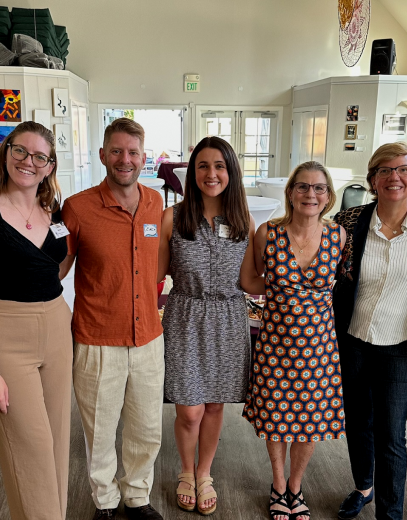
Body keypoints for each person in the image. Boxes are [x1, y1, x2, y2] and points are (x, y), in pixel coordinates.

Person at [60, 118, 164, 520]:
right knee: (99, 431)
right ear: (103, 155)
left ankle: (137, 497)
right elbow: (57, 268)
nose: (125, 160)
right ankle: (104, 501)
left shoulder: (155, 203)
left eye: (133, 152)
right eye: (117, 151)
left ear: (143, 157)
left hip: (148, 338)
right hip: (97, 339)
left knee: (146, 428)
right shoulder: (78, 208)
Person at [157, 136, 264, 516]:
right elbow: (154, 274)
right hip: (185, 317)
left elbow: (249, 281)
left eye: (219, 166)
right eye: (203, 165)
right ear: (192, 173)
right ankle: (185, 471)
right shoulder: (173, 217)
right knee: (189, 410)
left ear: (231, 171)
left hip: (229, 320)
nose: (211, 173)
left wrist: (296, 280)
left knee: (215, 405)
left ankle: (204, 473)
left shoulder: (243, 222)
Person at [243, 161, 346, 520]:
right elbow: (251, 280)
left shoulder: (338, 236)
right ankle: (278, 484)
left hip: (319, 348)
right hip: (275, 343)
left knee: (310, 421)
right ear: (290, 192)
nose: (310, 194)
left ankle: (296, 486)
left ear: (328, 196)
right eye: (302, 186)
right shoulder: (268, 233)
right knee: (276, 418)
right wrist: (281, 293)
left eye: (319, 188)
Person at [0, 122, 72, 520]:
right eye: (20, 151)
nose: (28, 162)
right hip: (8, 335)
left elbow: (54, 268)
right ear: (6, 151)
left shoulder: (52, 210)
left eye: (39, 156)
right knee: (31, 447)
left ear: (49, 166)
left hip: (57, 326)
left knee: (58, 442)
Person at [333, 142, 407, 520]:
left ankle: (390, 514)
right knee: (358, 422)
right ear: (373, 179)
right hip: (353, 337)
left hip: (399, 344)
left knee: (392, 435)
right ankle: (364, 486)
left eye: (404, 169)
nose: (395, 177)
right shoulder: (349, 220)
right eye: (385, 170)